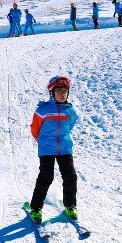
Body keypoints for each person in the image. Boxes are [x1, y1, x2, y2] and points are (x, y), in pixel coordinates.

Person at [28, 76, 79, 224]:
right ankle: (36, 208)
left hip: (64, 148)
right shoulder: (43, 110)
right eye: (59, 90)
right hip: (47, 149)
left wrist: (62, 139)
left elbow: (70, 126)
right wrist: (43, 142)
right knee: (46, 177)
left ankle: (70, 205)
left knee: (70, 176)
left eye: (65, 91)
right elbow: (34, 129)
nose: (63, 94)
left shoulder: (70, 111)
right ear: (52, 92)